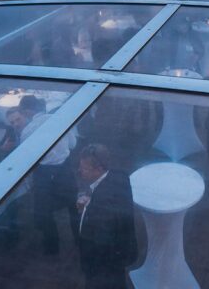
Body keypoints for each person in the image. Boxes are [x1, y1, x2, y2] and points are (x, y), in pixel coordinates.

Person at [12, 95, 78, 255]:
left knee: (44, 211)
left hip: (44, 173)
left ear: (27, 111)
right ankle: (78, 239)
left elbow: (28, 158)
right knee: (72, 204)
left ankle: (52, 248)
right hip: (64, 168)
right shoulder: (60, 120)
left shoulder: (28, 131)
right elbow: (72, 144)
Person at [77, 144, 137, 289]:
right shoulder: (120, 176)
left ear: (99, 169)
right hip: (122, 252)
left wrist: (87, 210)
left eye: (84, 168)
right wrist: (91, 201)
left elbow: (101, 244)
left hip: (102, 267)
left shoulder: (100, 208)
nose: (79, 171)